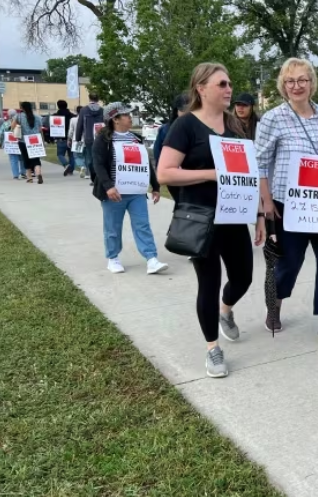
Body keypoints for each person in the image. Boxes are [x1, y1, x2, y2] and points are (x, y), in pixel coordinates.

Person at [157, 62, 265, 378]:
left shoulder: (235, 128)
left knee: (243, 277)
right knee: (209, 283)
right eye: (221, 84)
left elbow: (249, 174)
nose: (228, 89)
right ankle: (212, 349)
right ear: (201, 88)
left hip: (234, 218)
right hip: (201, 219)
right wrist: (211, 174)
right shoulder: (186, 126)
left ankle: (226, 311)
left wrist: (259, 214)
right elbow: (165, 173)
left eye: (229, 83)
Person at [256, 57, 318, 345]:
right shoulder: (273, 118)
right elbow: (260, 163)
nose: (296, 86)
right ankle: (274, 304)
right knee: (289, 262)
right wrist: (267, 204)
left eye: (302, 80)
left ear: (312, 83)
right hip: (289, 203)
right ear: (283, 86)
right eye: (290, 81)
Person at [91, 102, 169, 275]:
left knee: (142, 225)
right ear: (115, 119)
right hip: (113, 193)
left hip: (136, 193)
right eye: (126, 115)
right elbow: (98, 164)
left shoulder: (136, 138)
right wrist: (108, 186)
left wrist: (155, 186)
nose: (129, 118)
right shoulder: (103, 139)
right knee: (112, 227)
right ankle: (113, 258)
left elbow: (145, 163)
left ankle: (151, 259)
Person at [153, 93, 189, 204]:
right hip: (174, 176)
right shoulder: (165, 130)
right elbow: (157, 153)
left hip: (193, 175)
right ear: (176, 110)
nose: (187, 113)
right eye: (184, 110)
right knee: (181, 203)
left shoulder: (199, 128)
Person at [10, 102, 45, 184]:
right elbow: (40, 129)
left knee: (25, 159)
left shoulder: (18, 116)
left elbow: (12, 126)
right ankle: (38, 173)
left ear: (22, 108)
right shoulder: (37, 117)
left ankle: (29, 178)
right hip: (35, 140)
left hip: (23, 141)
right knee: (36, 159)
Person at [75, 93, 105, 183]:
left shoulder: (84, 110)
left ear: (89, 98)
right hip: (101, 137)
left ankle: (94, 178)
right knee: (100, 157)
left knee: (90, 158)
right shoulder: (102, 110)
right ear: (98, 99)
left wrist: (78, 137)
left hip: (89, 137)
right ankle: (100, 177)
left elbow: (79, 125)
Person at [0, 111, 25, 179]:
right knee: (22, 158)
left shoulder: (5, 124)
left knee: (13, 159)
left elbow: (1, 134)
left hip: (10, 144)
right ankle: (23, 173)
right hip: (21, 142)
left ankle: (15, 175)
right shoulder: (21, 123)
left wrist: (0, 143)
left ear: (9, 115)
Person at [53, 99, 77, 176]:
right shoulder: (73, 116)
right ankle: (71, 170)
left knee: (60, 154)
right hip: (71, 138)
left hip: (61, 138)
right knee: (71, 155)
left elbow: (52, 127)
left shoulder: (55, 116)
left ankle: (66, 164)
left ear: (58, 106)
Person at [67, 106, 87, 178]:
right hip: (86, 140)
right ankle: (87, 173)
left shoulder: (73, 120)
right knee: (86, 156)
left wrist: (69, 139)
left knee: (77, 156)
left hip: (77, 140)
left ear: (76, 111)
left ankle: (82, 166)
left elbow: (71, 131)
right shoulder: (87, 119)